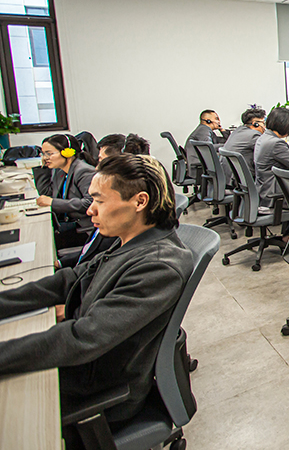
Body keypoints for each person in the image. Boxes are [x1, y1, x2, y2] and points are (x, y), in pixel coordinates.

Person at [0, 154, 193, 449]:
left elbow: (83, 337)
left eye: (99, 200)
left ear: (140, 202)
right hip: (86, 368)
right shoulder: (131, 240)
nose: (90, 209)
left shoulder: (158, 266)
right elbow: (70, 280)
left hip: (102, 392)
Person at [36, 134, 97, 249]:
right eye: (43, 154)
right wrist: (43, 168)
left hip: (83, 228)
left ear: (67, 153)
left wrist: (53, 202)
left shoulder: (84, 171)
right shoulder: (60, 171)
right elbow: (47, 193)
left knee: (43, 243)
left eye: (49, 153)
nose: (45, 158)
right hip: (68, 223)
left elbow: (89, 203)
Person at [220, 107, 266, 181]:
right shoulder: (254, 135)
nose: (264, 126)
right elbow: (268, 150)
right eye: (263, 123)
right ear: (255, 124)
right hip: (239, 179)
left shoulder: (238, 130)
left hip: (228, 176)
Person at [185, 109, 220, 180]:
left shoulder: (204, 129)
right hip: (199, 167)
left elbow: (221, 140)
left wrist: (222, 130)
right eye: (216, 119)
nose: (219, 121)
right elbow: (209, 147)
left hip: (199, 165)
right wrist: (226, 146)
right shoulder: (203, 130)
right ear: (208, 121)